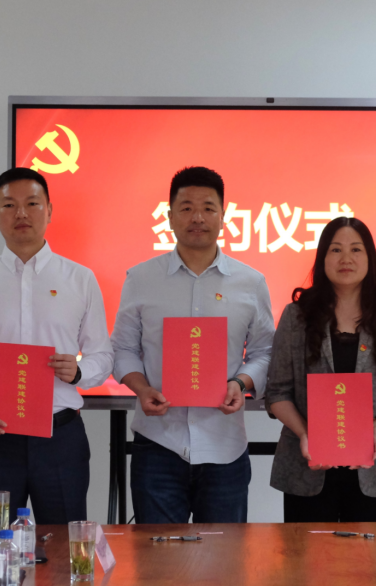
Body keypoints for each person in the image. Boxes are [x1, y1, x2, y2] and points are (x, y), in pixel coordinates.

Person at [0, 167, 113, 525]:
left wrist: (79, 371)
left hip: (60, 437)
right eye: (9, 205)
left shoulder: (80, 279)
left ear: (49, 210)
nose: (21, 213)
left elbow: (102, 354)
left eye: (32, 203)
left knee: (65, 544)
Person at [111, 166, 275, 524]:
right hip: (158, 444)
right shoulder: (141, 278)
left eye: (208, 208)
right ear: (169, 216)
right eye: (186, 208)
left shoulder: (251, 282)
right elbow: (122, 348)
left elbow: (264, 352)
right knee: (158, 556)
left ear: (223, 216)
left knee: (224, 555)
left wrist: (240, 383)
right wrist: (142, 389)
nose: (197, 217)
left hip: (225, 446)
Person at [266, 217, 376, 522]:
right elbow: (277, 392)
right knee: (305, 552)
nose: (346, 258)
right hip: (306, 466)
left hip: (374, 467)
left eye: (356, 249)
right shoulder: (297, 316)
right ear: (322, 258)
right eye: (336, 250)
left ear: (370, 258)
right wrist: (308, 434)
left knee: (370, 553)